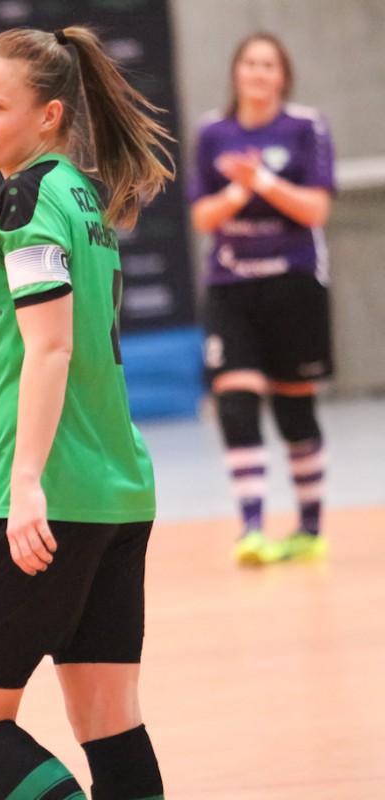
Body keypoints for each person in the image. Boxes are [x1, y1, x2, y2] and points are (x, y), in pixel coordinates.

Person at [0, 27, 172, 799]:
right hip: (118, 493)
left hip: (51, 496)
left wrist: (25, 483)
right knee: (109, 720)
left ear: (49, 116)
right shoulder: (81, 197)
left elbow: (53, 347)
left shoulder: (25, 199)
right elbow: (62, 329)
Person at [189, 32, 335, 567]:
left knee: (295, 408)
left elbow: (315, 210)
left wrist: (263, 182)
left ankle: (310, 529)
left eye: (268, 65)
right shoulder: (213, 132)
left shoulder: (305, 126)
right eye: (250, 63)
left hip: (294, 282)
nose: (257, 73)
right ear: (236, 72)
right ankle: (252, 527)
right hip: (231, 286)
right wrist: (237, 191)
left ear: (283, 76)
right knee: (235, 400)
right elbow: (202, 216)